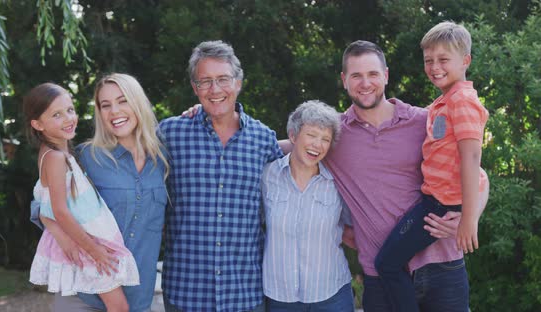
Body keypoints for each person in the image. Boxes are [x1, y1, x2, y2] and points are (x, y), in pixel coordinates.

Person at [317, 40, 489, 312]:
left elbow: (478, 174)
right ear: (344, 80)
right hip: (380, 278)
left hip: (442, 266)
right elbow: (289, 148)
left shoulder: (424, 120)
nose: (365, 83)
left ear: (385, 75)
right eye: (356, 75)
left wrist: (469, 218)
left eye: (373, 74)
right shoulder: (332, 134)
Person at [159, 40, 283, 312]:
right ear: (195, 88)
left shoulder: (263, 139)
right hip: (186, 291)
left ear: (238, 82)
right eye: (205, 81)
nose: (215, 90)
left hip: (245, 292)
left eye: (223, 79)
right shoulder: (169, 134)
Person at [373, 22, 489, 312]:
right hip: (433, 200)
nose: (434, 67)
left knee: (385, 264)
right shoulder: (443, 102)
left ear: (466, 61)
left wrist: (469, 219)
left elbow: (472, 159)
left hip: (439, 205)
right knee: (389, 262)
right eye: (428, 60)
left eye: (443, 59)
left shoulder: (462, 101)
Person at [30, 74, 169, 312]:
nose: (114, 111)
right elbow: (41, 205)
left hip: (137, 300)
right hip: (84, 297)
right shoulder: (85, 157)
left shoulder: (164, 159)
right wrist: (71, 243)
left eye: (123, 101)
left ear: (138, 103)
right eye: (105, 105)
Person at [262, 100, 354, 312]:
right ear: (293, 136)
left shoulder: (337, 183)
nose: (317, 144)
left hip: (331, 295)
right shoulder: (266, 176)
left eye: (325, 139)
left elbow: (352, 228)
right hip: (279, 296)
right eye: (311, 135)